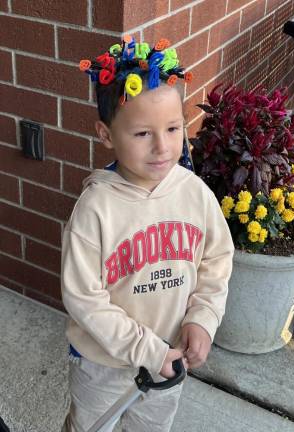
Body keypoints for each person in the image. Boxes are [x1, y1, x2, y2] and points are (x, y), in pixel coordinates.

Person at [61, 36, 234, 432]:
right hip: (102, 365)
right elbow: (83, 297)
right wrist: (146, 350)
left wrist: (203, 318)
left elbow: (217, 259)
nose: (162, 147)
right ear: (106, 135)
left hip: (169, 359)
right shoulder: (96, 209)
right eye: (142, 134)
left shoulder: (194, 193)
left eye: (173, 128)